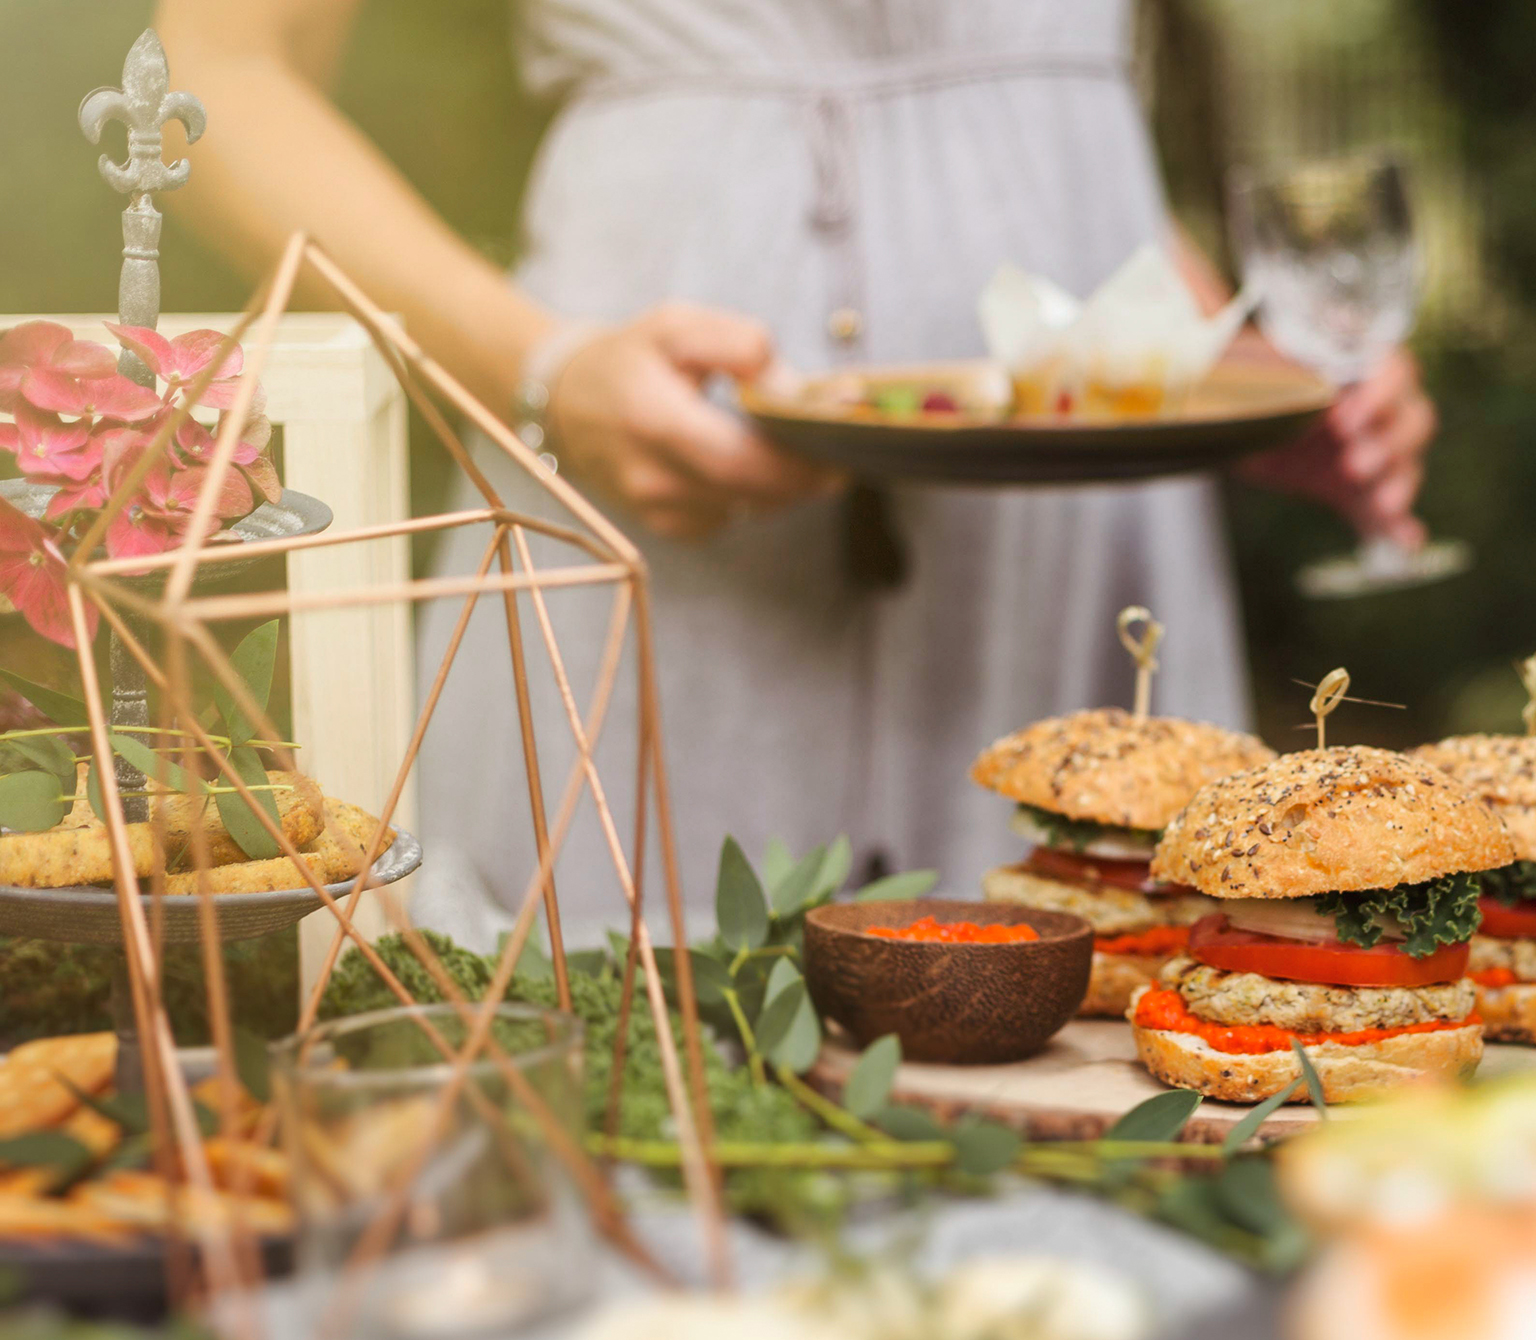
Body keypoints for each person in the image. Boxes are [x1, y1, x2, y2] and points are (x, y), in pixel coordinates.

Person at [157, 0, 1438, 943]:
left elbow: (1046, 111)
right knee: (635, 1117)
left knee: (1129, 1093)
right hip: (665, 518)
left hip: (1082, 555)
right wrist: (538, 367)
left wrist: (1227, 372)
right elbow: (216, 71)